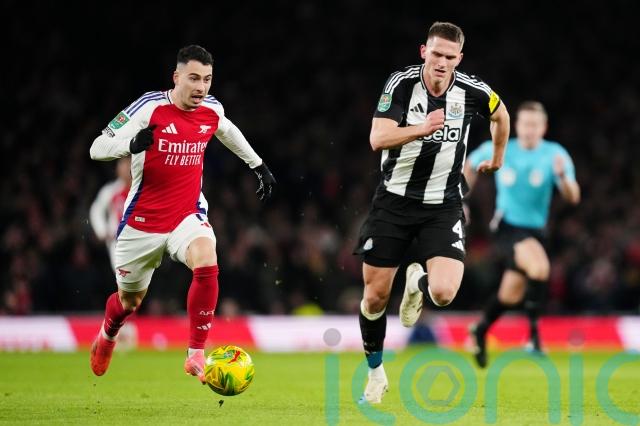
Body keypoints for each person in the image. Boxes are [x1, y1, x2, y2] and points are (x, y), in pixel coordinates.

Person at [88, 45, 276, 383]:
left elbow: (226, 129)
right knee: (129, 302)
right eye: (194, 78)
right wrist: (130, 145)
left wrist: (257, 165)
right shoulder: (148, 107)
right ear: (176, 77)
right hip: (142, 222)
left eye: (207, 79)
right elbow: (97, 147)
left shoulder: (211, 108)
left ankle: (195, 353)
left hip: (186, 214)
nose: (201, 87)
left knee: (206, 257)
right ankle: (108, 332)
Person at [353, 22, 510, 403]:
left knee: (443, 293)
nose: (441, 62)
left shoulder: (472, 91)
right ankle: (375, 373)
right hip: (393, 201)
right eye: (436, 53)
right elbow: (378, 137)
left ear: (459, 58)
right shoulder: (401, 84)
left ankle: (417, 285)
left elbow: (501, 115)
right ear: (424, 51)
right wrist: (421, 129)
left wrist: (497, 158)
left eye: (449, 56)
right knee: (374, 298)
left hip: (443, 204)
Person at [465, 101, 580, 368]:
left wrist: (564, 178)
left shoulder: (555, 154)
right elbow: (469, 165)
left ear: (544, 127)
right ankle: (534, 337)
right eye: (525, 124)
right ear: (516, 125)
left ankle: (480, 330)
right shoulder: (502, 148)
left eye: (534, 125)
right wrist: (461, 199)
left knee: (511, 295)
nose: (529, 130)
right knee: (539, 268)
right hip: (507, 226)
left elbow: (573, 196)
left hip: (536, 232)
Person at [89, 157, 132, 270]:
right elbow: (96, 210)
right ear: (118, 170)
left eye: (130, 165)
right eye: (124, 166)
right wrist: (103, 231)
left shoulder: (142, 190)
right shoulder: (111, 191)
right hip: (118, 242)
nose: (127, 170)